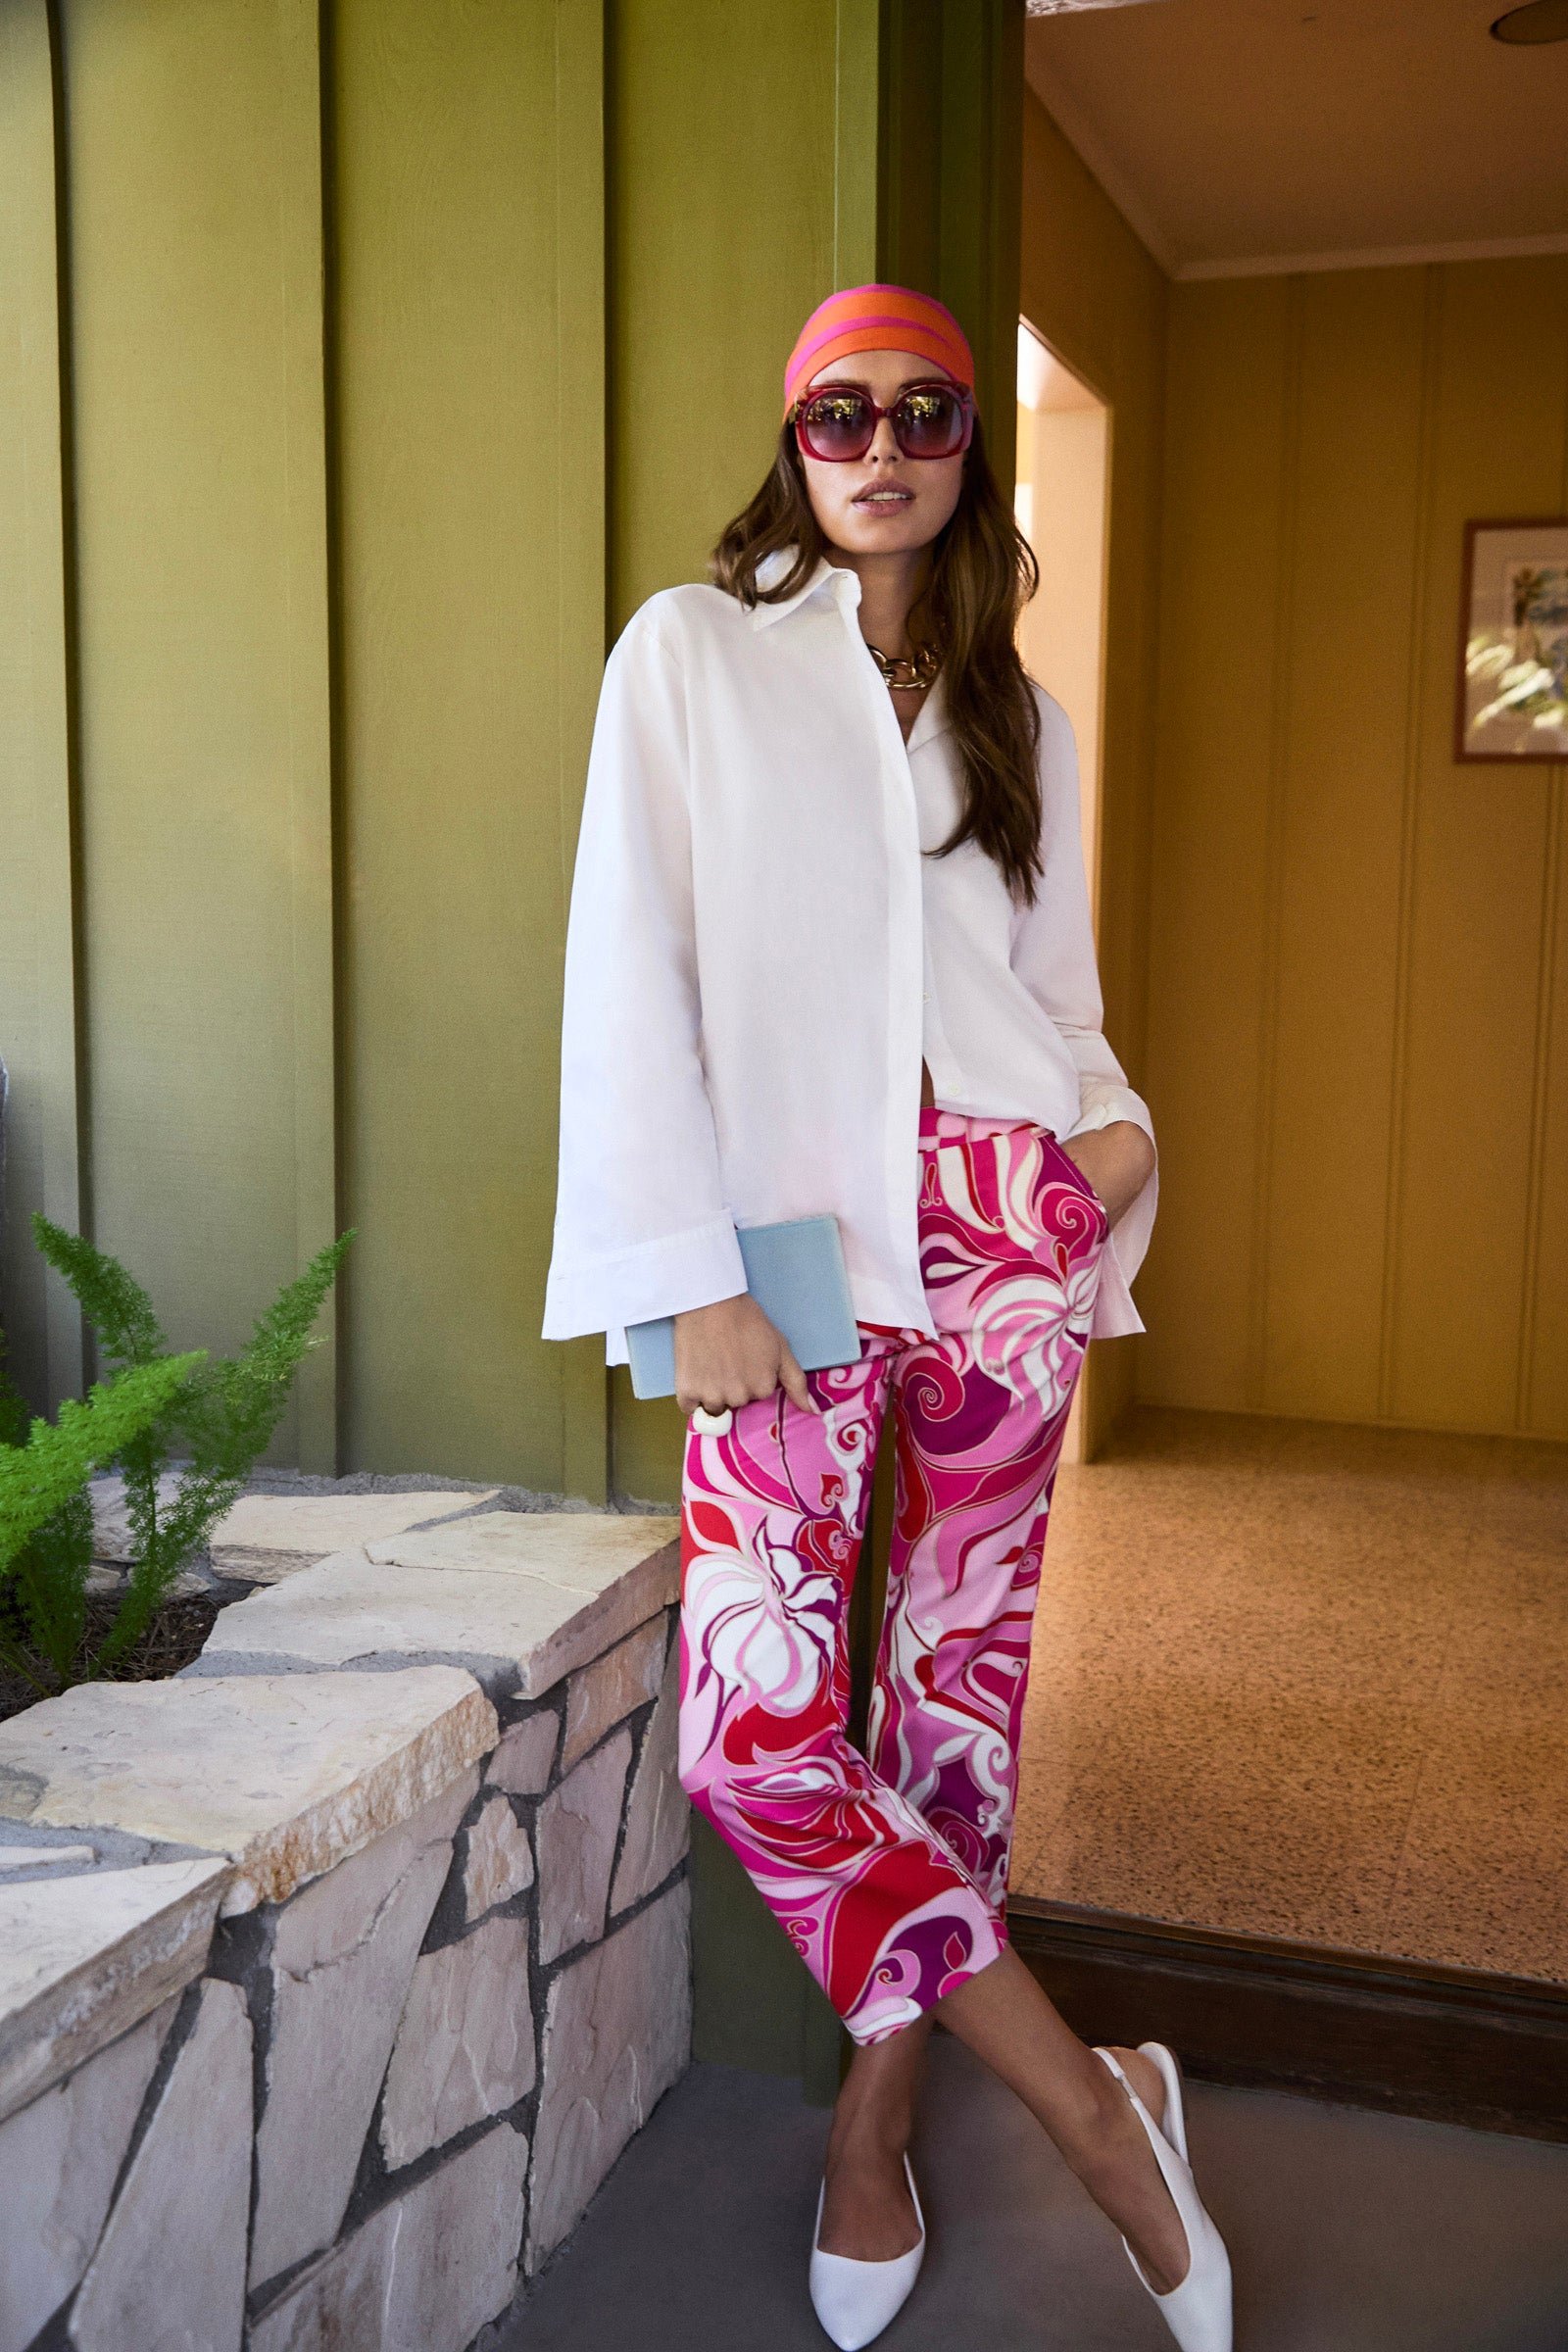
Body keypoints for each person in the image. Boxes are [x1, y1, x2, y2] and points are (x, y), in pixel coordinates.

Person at [545, 284, 1230, 2352]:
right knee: (761, 1735)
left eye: (923, 409)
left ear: (960, 446)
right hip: (780, 1258)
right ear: (795, 439)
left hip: (1006, 1233)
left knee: (948, 1724)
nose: (880, 441)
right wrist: (681, 1279)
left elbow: (1069, 1017)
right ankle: (1101, 2121)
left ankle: (875, 2135)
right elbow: (624, 968)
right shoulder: (690, 655)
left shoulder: (1017, 719)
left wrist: (1100, 1168)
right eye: (838, 410)